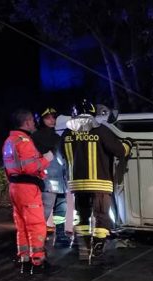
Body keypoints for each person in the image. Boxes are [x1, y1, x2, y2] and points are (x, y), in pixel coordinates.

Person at [60, 99, 131, 264]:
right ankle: (97, 253)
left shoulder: (66, 133)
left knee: (82, 217)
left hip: (77, 183)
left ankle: (84, 250)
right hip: (100, 183)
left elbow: (61, 154)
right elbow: (119, 151)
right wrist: (128, 143)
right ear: (93, 113)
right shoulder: (100, 130)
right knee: (101, 216)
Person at [2, 109, 53, 273]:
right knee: (36, 224)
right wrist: (47, 159)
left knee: (22, 225)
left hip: (15, 187)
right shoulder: (24, 141)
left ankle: (25, 259)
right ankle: (38, 261)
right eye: (32, 120)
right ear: (27, 122)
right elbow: (31, 167)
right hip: (27, 188)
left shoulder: (10, 140)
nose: (34, 123)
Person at [31, 107, 70, 248]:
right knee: (45, 210)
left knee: (61, 208)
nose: (52, 120)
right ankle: (37, 239)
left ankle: (60, 235)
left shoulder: (57, 137)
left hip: (60, 178)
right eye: (48, 117)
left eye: (53, 117)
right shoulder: (36, 137)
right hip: (47, 180)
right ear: (40, 120)